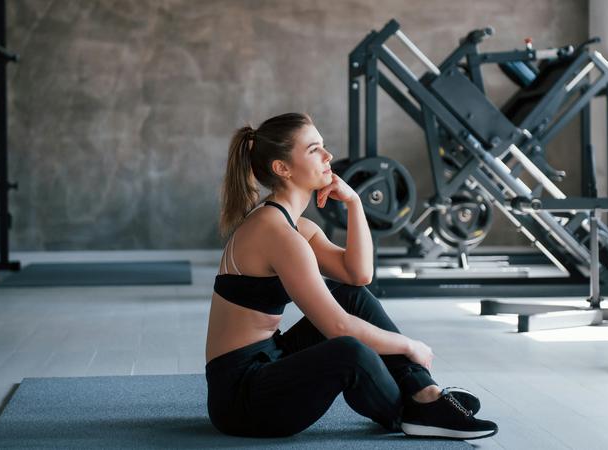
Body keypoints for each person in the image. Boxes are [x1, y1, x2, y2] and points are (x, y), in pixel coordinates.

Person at [205, 112, 498, 440]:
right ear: (282, 168)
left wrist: (355, 202)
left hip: (267, 360)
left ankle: (424, 393)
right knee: (348, 350)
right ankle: (409, 413)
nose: (328, 155)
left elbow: (358, 275)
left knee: (350, 297)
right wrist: (410, 345)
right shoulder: (277, 234)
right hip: (241, 399)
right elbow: (338, 327)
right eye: (314, 149)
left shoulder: (294, 226)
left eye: (323, 146)